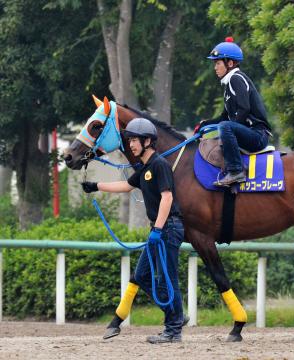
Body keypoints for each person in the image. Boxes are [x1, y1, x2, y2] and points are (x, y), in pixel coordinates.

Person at [81, 118, 185, 344]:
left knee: (167, 280)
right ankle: (175, 315)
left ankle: (173, 329)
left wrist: (157, 229)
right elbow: (126, 186)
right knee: (141, 276)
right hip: (158, 230)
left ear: (148, 141)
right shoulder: (145, 168)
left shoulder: (160, 165)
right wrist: (96, 186)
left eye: (135, 140)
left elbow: (167, 197)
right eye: (129, 141)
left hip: (167, 229)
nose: (131, 145)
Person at [197, 37, 272, 186]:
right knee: (225, 125)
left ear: (230, 63)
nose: (215, 68)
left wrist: (230, 130)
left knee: (225, 126)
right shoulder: (228, 86)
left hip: (258, 135)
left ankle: (236, 171)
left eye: (217, 63)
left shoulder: (236, 79)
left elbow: (244, 109)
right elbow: (224, 117)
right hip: (247, 133)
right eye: (215, 64)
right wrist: (205, 124)